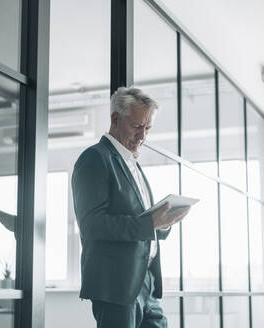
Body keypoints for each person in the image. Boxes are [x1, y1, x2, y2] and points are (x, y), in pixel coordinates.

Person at [72, 87, 190, 328]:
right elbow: (92, 225)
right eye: (137, 127)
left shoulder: (132, 163)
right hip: (116, 286)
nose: (143, 136)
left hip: (145, 281)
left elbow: (142, 221)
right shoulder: (94, 159)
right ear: (115, 119)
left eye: (147, 129)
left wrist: (164, 222)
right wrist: (151, 223)